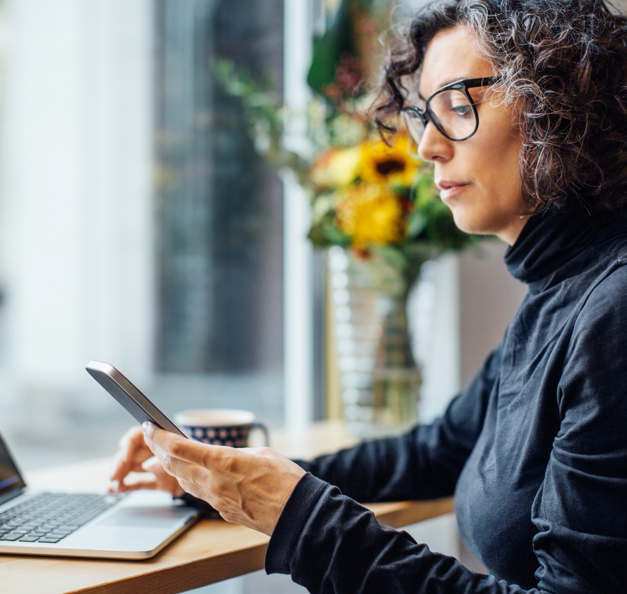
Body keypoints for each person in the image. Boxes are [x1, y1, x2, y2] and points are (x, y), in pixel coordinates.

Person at [110, 0, 627, 591]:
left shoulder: (612, 310)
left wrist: (299, 517)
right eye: (422, 114)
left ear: (559, 109)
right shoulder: (560, 289)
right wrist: (228, 481)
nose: (427, 146)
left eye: (459, 107)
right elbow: (438, 451)